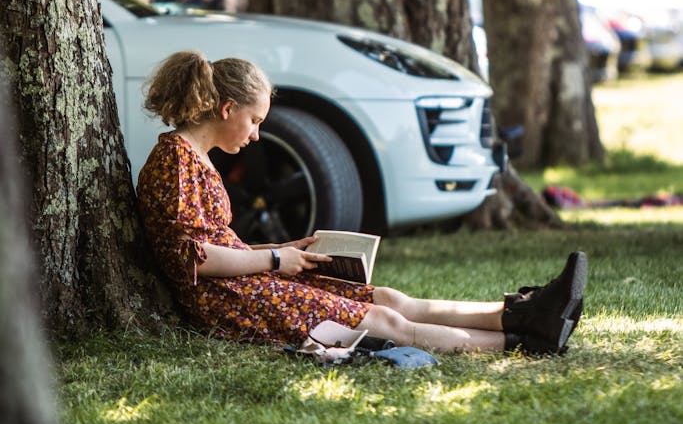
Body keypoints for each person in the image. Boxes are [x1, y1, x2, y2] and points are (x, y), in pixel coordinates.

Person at [136, 52, 587, 356]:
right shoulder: (176, 161)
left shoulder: (193, 159)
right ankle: (524, 340)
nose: (256, 135)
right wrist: (274, 260)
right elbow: (195, 259)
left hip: (244, 283)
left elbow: (210, 243)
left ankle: (524, 310)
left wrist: (282, 251)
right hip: (227, 301)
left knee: (387, 298)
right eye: (254, 121)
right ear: (227, 108)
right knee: (383, 321)